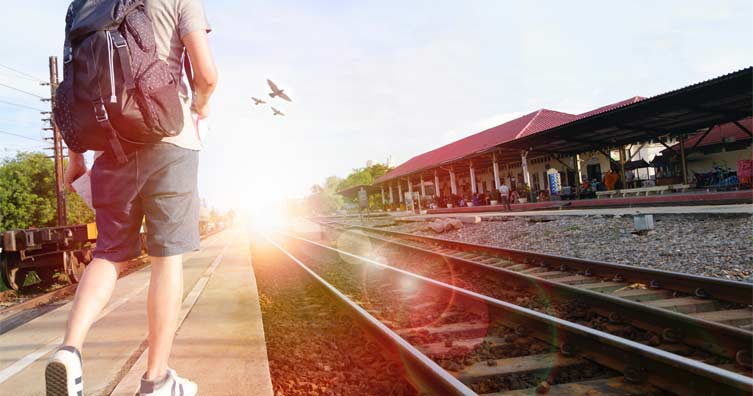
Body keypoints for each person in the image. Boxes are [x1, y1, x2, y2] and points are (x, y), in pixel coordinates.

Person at [46, 1, 217, 396]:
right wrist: (200, 106)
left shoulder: (84, 4)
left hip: (111, 147)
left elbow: (76, 85)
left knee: (108, 254)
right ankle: (155, 380)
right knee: (166, 259)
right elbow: (206, 74)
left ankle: (70, 351)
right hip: (171, 141)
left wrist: (76, 158)